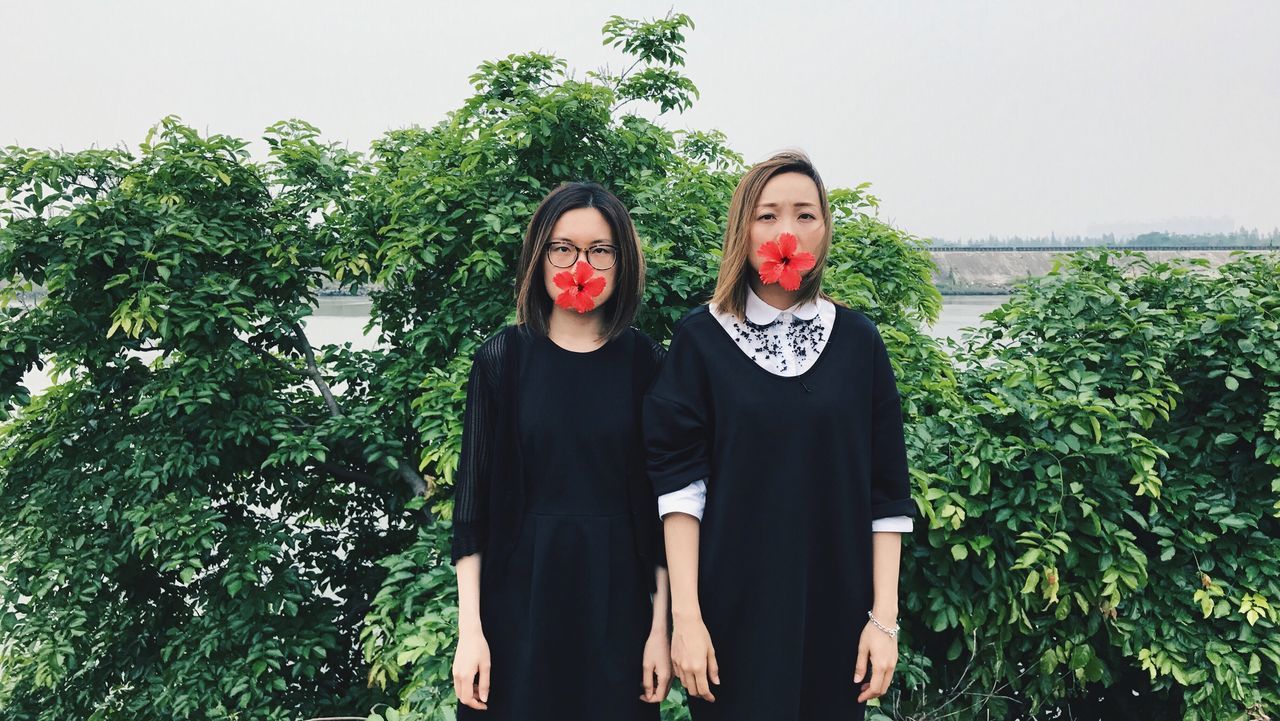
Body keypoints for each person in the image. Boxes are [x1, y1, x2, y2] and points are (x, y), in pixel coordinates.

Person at [644, 151, 915, 720]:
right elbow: (678, 491)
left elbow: (886, 494)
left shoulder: (859, 341)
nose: (786, 230)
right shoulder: (700, 340)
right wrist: (686, 620)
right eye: (767, 215)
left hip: (838, 620)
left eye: (804, 214)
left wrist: (882, 621)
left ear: (824, 228)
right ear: (742, 229)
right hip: (729, 621)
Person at [450, 182, 671, 720]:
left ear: (621, 262)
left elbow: (665, 507)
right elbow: (471, 511)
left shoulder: (647, 364)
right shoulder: (502, 358)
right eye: (563, 247)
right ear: (539, 256)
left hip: (617, 607)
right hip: (516, 605)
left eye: (600, 250)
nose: (581, 264)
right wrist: (470, 633)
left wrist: (660, 629)